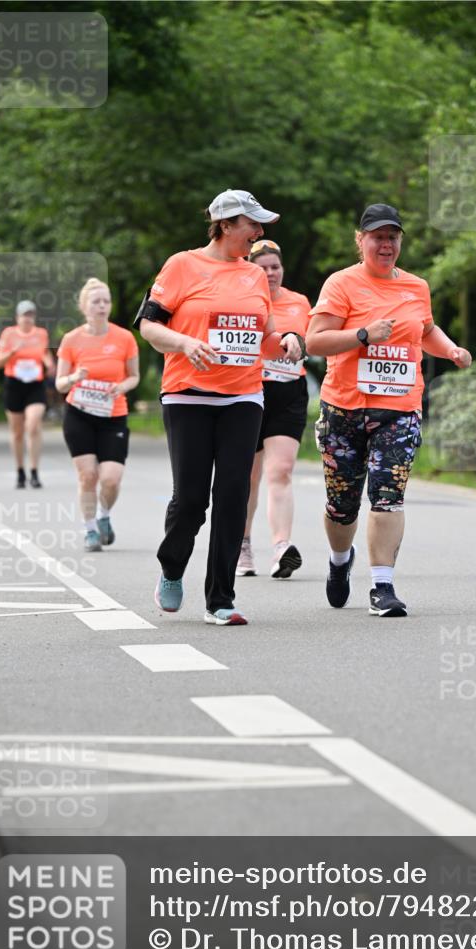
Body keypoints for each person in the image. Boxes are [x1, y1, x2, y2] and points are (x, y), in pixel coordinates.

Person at [135, 189, 304, 626]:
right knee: (191, 499)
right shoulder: (182, 265)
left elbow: (261, 339)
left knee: (233, 494)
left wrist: (286, 340)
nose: (259, 232)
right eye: (252, 224)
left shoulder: (252, 276)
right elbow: (149, 324)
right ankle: (172, 568)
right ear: (226, 225)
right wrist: (184, 342)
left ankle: (220, 600)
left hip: (244, 397)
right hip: (188, 395)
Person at [306, 203, 472, 617]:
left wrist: (449, 349)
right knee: (342, 505)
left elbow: (426, 330)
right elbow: (315, 341)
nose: (386, 244)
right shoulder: (341, 284)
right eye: (377, 237)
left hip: (399, 408)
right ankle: (339, 561)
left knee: (388, 496)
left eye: (392, 237)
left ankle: (382, 587)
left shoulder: (417, 287)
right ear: (360, 241)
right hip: (344, 408)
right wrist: (363, 334)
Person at [236, 239, 311, 579]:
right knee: (249, 477)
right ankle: (243, 543)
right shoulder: (242, 300)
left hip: (288, 392)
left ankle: (282, 547)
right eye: (263, 267)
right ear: (252, 269)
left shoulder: (299, 302)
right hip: (251, 390)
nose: (270, 273)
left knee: (280, 470)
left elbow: (312, 338)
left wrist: (298, 340)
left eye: (275, 267)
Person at [55, 278, 140, 552]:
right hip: (79, 414)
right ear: (84, 307)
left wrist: (121, 387)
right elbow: (59, 383)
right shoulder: (71, 339)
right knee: (88, 475)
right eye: (96, 301)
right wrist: (73, 377)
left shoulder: (124, 338)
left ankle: (104, 514)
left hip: (113, 414)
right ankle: (90, 529)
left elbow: (134, 377)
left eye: (106, 301)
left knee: (112, 478)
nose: (102, 306)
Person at [0, 300, 55, 488]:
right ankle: (20, 471)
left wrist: (49, 363)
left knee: (33, 424)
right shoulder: (9, 334)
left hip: (35, 385)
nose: (28, 319)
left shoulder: (41, 334)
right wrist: (12, 352)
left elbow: (44, 354)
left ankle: (35, 472)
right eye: (24, 315)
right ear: (17, 317)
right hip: (14, 385)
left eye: (31, 315)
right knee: (17, 432)